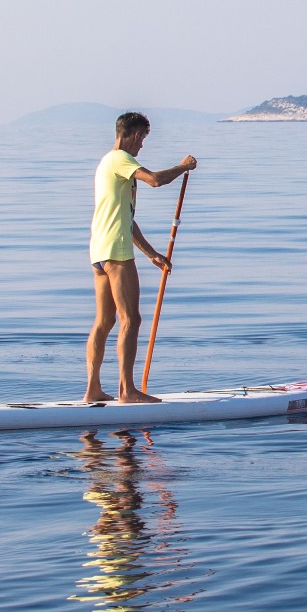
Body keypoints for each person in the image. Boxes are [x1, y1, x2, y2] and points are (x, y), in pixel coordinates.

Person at [86, 112, 197, 403]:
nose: (142, 146)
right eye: (143, 139)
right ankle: (127, 391)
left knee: (105, 321)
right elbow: (156, 181)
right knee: (130, 320)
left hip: (99, 250)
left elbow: (126, 219)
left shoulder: (105, 164)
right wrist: (183, 167)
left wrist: (151, 254)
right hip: (117, 253)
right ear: (134, 135)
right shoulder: (121, 159)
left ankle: (93, 390)